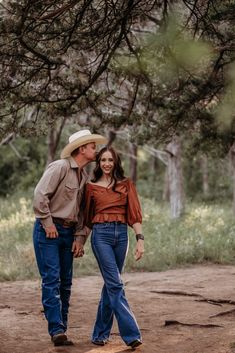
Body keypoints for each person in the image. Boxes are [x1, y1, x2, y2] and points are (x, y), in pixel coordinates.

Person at [32, 129, 107, 346]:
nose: (95, 149)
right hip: (49, 232)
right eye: (93, 146)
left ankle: (61, 329)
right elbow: (40, 196)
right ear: (82, 149)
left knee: (65, 283)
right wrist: (47, 224)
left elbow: (83, 212)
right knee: (52, 279)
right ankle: (56, 330)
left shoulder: (83, 176)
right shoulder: (60, 167)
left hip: (68, 233)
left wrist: (80, 238)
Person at [81, 146, 145, 349]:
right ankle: (131, 334)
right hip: (101, 236)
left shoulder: (126, 185)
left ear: (116, 162)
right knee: (116, 285)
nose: (107, 164)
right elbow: (88, 219)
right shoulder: (91, 187)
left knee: (111, 285)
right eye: (103, 161)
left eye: (110, 160)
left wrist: (140, 239)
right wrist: (80, 241)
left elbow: (134, 214)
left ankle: (100, 334)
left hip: (122, 236)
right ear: (98, 163)